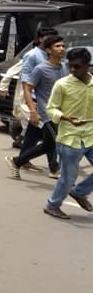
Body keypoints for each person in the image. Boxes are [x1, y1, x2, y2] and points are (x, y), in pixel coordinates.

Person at [42, 47, 93, 219]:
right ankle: (52, 205)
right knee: (68, 178)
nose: (72, 70)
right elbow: (51, 108)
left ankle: (79, 192)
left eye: (76, 66)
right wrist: (65, 117)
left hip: (91, 136)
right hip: (69, 139)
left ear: (87, 65)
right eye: (69, 66)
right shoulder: (62, 84)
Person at [6, 35, 66, 179]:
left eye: (63, 46)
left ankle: (18, 161)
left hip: (60, 112)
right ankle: (21, 162)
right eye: (57, 46)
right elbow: (27, 88)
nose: (62, 49)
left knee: (40, 139)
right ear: (48, 50)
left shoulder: (65, 67)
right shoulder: (40, 69)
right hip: (46, 112)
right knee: (52, 142)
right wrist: (33, 110)